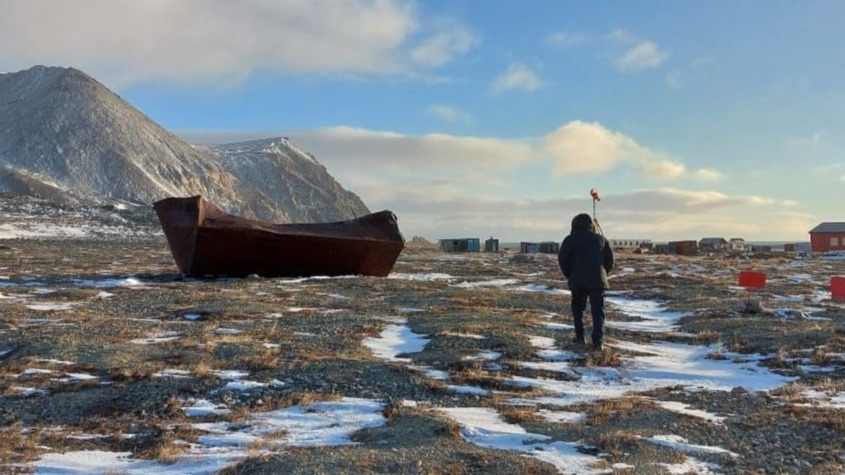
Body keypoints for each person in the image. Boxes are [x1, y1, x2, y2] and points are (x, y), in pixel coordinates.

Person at [558, 213, 614, 351]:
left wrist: (570, 275)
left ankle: (580, 337)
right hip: (597, 282)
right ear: (591, 225)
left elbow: (563, 260)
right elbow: (610, 260)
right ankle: (598, 342)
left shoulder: (569, 240)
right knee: (598, 311)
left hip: (577, 280)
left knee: (578, 310)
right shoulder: (601, 239)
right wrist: (602, 274)